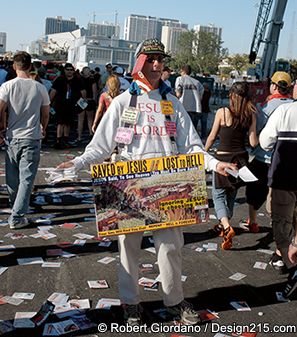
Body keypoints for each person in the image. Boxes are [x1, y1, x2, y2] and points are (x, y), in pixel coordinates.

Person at [57, 38, 236, 325]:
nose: (156, 65)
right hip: (129, 186)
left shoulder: (171, 102)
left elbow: (192, 146)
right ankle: (130, 303)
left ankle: (174, 301)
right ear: (138, 62)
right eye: (150, 59)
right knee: (128, 249)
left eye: (160, 60)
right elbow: (100, 147)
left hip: (168, 184)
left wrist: (215, 163)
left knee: (170, 248)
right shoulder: (122, 102)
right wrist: (77, 162)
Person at [242, 71, 293, 272]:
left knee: (261, 196)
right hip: (287, 162)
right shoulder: (292, 107)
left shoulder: (264, 108)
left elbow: (258, 140)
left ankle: (255, 222)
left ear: (273, 86)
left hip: (265, 158)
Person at [259, 75, 297, 299]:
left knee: (281, 225)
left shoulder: (284, 112)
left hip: (285, 178)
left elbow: (265, 142)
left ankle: (291, 265)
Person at [205, 82, 258, 250]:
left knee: (218, 196)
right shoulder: (251, 114)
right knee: (231, 196)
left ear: (231, 95)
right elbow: (253, 142)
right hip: (240, 161)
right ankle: (224, 225)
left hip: (223, 159)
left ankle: (227, 227)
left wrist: (203, 152)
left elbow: (212, 136)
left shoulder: (222, 112)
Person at [0, 51, 50, 229]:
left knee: (12, 178)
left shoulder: (7, 86)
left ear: (14, 66)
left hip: (12, 136)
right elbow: (45, 113)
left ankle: (17, 209)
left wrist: (1, 128)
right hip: (31, 136)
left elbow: (0, 109)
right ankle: (17, 215)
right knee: (26, 179)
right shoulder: (40, 87)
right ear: (30, 66)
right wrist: (43, 126)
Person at [49, 63, 86, 149]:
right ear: (64, 70)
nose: (69, 72)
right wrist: (49, 102)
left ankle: (65, 140)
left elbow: (83, 91)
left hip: (72, 104)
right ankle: (58, 140)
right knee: (60, 122)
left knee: (68, 123)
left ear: (73, 71)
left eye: (71, 70)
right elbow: (53, 91)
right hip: (60, 104)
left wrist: (83, 101)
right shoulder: (59, 80)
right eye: (67, 70)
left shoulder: (77, 80)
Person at [175, 64, 204, 130]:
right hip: (195, 109)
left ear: (183, 71)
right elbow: (201, 96)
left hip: (183, 107)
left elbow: (178, 94)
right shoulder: (197, 82)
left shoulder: (180, 79)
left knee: (182, 129)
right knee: (192, 130)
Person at [77, 67, 97, 142]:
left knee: (80, 119)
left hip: (81, 100)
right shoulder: (92, 80)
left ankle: (79, 136)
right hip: (89, 100)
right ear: (89, 73)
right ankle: (90, 133)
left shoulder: (79, 80)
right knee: (90, 119)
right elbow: (94, 92)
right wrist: (95, 101)